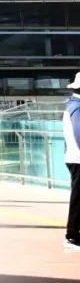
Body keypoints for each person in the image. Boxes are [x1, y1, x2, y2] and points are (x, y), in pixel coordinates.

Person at [63, 73, 80, 249]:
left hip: (74, 157)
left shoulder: (72, 105)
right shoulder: (77, 107)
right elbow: (79, 134)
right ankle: (72, 236)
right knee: (78, 199)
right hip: (78, 159)